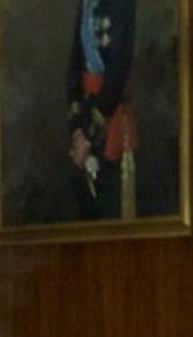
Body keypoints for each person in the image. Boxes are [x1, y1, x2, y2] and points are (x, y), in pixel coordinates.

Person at [66, 0, 136, 220]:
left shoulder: (123, 4)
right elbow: (74, 67)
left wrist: (88, 133)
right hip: (84, 115)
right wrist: (77, 129)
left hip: (110, 114)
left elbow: (118, 70)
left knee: (110, 204)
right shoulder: (85, 4)